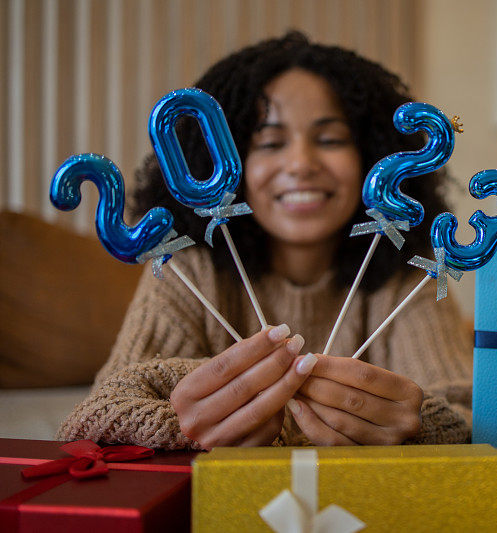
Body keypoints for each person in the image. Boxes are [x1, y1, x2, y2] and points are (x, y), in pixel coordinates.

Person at [57, 32, 473, 450]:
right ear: (225, 159)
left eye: (330, 139)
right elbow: (94, 420)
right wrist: (184, 424)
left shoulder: (407, 275)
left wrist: (418, 424)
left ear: (371, 156)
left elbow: (473, 415)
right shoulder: (190, 270)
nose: (301, 165)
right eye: (271, 143)